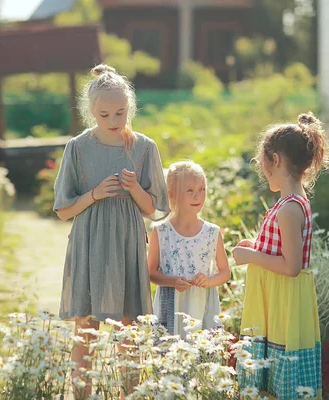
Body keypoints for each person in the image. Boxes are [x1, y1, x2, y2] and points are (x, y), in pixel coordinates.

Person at [53, 64, 169, 393]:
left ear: (129, 108)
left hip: (127, 243)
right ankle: (81, 394)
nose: (114, 121)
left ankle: (129, 392)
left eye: (120, 113)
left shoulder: (145, 148)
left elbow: (153, 209)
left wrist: (135, 189)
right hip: (89, 242)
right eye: (104, 115)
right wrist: (93, 194)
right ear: (91, 112)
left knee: (129, 327)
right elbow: (63, 210)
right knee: (85, 327)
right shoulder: (77, 147)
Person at [232, 112, 329, 399]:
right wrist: (258, 244)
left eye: (264, 165)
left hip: (283, 299)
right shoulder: (289, 203)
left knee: (283, 370)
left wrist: (251, 255)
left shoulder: (289, 208)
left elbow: (290, 266)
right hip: (276, 296)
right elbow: (282, 249)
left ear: (275, 160)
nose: (264, 172)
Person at [147, 161, 230, 337]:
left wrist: (209, 280)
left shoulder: (212, 232)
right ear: (171, 195)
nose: (198, 196)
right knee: (169, 355)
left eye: (202, 189)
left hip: (202, 305)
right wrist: (172, 281)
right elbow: (150, 272)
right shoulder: (161, 231)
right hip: (171, 305)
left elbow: (225, 273)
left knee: (203, 355)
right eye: (190, 191)